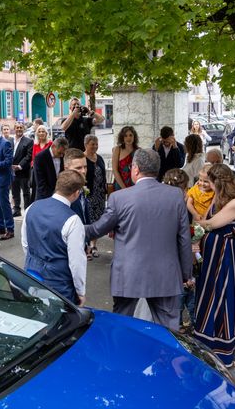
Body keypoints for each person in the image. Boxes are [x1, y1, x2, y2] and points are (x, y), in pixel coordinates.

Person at [85, 149, 193, 330]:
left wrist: (72, 227)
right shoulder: (175, 195)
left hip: (129, 274)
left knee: (122, 326)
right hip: (165, 274)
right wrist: (185, 273)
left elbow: (98, 229)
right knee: (168, 331)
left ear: (135, 169)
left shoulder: (119, 198)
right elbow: (184, 238)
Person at [193, 163, 235, 366]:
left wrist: (187, 223)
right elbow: (205, 218)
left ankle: (221, 349)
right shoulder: (218, 198)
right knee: (207, 295)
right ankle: (204, 342)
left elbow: (210, 224)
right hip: (210, 257)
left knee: (221, 296)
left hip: (224, 258)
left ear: (219, 182)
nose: (206, 186)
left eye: (209, 182)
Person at [22, 170, 88, 305]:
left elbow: (25, 243)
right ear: (76, 193)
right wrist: (80, 291)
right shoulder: (73, 220)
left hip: (31, 274)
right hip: (59, 283)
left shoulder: (32, 207)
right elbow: (76, 263)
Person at [163, 168, 195, 332]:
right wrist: (187, 273)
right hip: (174, 262)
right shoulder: (181, 206)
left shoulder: (160, 203)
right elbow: (183, 242)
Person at [84, 134, 107, 257]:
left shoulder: (100, 158)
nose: (95, 146)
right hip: (88, 194)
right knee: (88, 220)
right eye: (92, 144)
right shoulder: (82, 158)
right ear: (86, 145)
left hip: (99, 194)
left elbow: (103, 175)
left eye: (96, 144)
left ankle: (93, 245)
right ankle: (86, 247)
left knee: (97, 221)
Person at [11, 122, 33, 216]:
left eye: (21, 127)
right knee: (15, 192)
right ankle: (17, 209)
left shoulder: (28, 141)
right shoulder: (10, 141)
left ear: (23, 129)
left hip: (23, 170)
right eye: (17, 127)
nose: (19, 129)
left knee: (26, 192)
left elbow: (28, 156)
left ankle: (27, 210)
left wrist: (19, 166)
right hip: (12, 171)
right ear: (14, 129)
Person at [112, 125, 139, 190]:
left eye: (130, 135)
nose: (128, 138)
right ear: (122, 138)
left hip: (134, 185)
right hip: (120, 185)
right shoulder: (117, 149)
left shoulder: (139, 151)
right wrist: (124, 188)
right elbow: (115, 170)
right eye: (125, 136)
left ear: (134, 137)